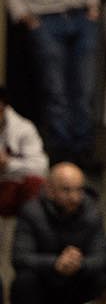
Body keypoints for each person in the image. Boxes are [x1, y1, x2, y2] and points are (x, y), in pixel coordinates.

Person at [8, 0, 101, 164]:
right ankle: (61, 147)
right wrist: (26, 17)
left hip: (78, 16)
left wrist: (92, 7)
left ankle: (84, 147)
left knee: (84, 86)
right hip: (44, 19)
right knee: (55, 87)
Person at [11, 161, 106, 304]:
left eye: (78, 190)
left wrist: (79, 264)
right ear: (49, 190)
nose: (74, 197)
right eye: (66, 190)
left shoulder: (92, 213)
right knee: (24, 281)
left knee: (102, 279)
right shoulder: (32, 212)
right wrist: (55, 263)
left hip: (78, 287)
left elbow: (103, 256)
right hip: (45, 288)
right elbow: (20, 257)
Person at [0, 84, 50, 213]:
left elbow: (40, 167)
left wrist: (7, 164)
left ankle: (29, 223)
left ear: (3, 107)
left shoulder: (24, 128)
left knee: (34, 183)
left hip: (11, 186)